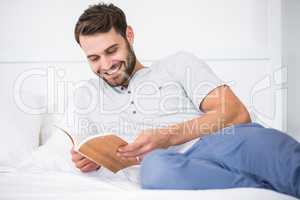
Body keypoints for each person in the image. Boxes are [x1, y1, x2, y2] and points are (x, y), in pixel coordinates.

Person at [69, 3, 300, 198]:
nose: (106, 65)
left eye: (112, 50)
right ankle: (263, 191)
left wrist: (166, 136)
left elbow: (236, 114)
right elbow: (86, 148)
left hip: (219, 141)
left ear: (129, 35)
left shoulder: (178, 64)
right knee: (155, 169)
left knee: (266, 147)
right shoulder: (86, 96)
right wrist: (89, 160)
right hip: (164, 166)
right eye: (94, 58)